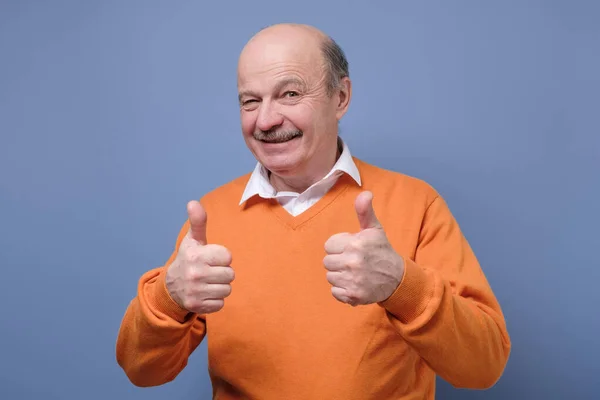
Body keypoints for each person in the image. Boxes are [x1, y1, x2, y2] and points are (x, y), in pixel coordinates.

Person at [116, 23, 511, 399]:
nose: (266, 120)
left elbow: (483, 367)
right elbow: (142, 371)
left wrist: (400, 286)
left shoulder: (416, 202)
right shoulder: (210, 217)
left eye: (290, 94)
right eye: (250, 101)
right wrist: (170, 296)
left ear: (340, 98)